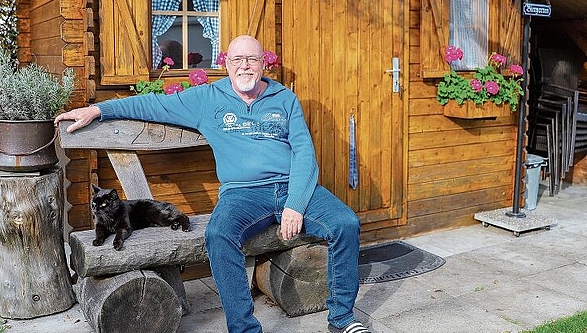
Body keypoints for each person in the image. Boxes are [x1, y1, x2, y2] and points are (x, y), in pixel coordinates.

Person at [55, 35, 370, 333]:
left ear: (264, 64)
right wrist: (98, 109)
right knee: (219, 235)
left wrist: (295, 205)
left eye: (251, 59)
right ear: (226, 63)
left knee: (345, 223)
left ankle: (341, 318)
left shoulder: (285, 99)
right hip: (243, 194)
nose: (244, 65)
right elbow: (151, 105)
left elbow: (304, 154)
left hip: (294, 187)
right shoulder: (208, 99)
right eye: (237, 59)